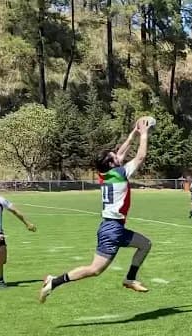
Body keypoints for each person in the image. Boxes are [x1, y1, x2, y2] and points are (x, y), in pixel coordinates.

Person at [39, 118, 153, 303]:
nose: (118, 155)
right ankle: (54, 282)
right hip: (113, 229)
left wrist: (133, 133)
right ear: (111, 164)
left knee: (145, 244)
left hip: (110, 227)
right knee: (94, 270)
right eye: (114, 157)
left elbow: (121, 153)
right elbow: (140, 157)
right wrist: (145, 134)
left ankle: (130, 278)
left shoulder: (105, 174)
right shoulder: (119, 173)